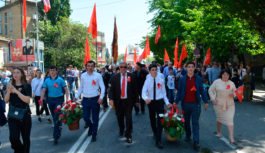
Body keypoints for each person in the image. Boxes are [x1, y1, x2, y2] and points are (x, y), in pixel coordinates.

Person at [175, 61, 208, 151]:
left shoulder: (198, 78)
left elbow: (202, 90)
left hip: (195, 105)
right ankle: (188, 135)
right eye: (188, 67)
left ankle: (196, 141)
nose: (190, 68)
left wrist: (206, 101)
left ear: (194, 68)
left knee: (195, 123)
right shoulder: (182, 79)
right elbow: (179, 91)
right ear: (186, 68)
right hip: (185, 104)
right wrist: (175, 101)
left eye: (192, 67)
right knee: (186, 122)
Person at [142, 64, 172, 149]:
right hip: (151, 102)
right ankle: (155, 132)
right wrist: (146, 98)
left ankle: (158, 140)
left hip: (159, 102)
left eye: (155, 70)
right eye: (152, 70)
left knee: (160, 121)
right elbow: (143, 92)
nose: (154, 71)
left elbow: (164, 93)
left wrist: (167, 102)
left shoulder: (161, 80)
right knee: (152, 119)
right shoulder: (147, 81)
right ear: (150, 71)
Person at [74, 61, 105, 142]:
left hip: (95, 100)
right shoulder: (83, 76)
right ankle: (91, 127)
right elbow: (81, 87)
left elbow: (103, 87)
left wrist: (101, 97)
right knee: (85, 117)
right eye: (88, 66)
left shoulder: (98, 75)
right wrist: (76, 97)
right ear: (86, 67)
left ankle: (94, 134)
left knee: (95, 118)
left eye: (92, 66)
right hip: (85, 100)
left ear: (94, 67)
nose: (90, 67)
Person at [109, 62, 139, 144]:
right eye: (121, 67)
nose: (123, 68)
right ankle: (121, 128)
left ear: (127, 68)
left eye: (124, 67)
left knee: (129, 118)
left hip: (128, 101)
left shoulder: (132, 76)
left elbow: (135, 90)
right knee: (119, 117)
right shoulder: (114, 77)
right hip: (118, 102)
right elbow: (111, 90)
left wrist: (137, 100)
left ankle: (128, 135)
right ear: (119, 68)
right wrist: (111, 99)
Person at [4, 67, 32, 153]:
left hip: (25, 114)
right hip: (12, 115)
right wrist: (9, 91)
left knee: (25, 138)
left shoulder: (27, 86)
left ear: (22, 74)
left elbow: (27, 100)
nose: (15, 74)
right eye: (14, 73)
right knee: (13, 137)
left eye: (17, 73)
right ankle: (20, 150)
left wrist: (16, 91)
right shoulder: (9, 84)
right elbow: (6, 100)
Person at [40, 66, 70, 144]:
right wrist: (41, 100)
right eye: (50, 70)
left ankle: (55, 136)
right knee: (54, 117)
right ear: (49, 72)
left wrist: (67, 100)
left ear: (56, 71)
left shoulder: (60, 80)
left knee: (56, 117)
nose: (52, 72)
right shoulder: (47, 80)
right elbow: (43, 90)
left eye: (53, 70)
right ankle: (59, 128)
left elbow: (66, 90)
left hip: (59, 100)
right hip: (50, 100)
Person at [208, 69, 237, 146]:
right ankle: (219, 131)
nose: (225, 76)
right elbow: (210, 90)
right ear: (221, 75)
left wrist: (233, 94)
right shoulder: (216, 82)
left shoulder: (231, 83)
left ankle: (231, 138)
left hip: (230, 104)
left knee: (230, 119)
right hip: (218, 104)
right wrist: (213, 99)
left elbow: (236, 92)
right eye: (224, 74)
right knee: (219, 119)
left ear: (229, 76)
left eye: (227, 75)